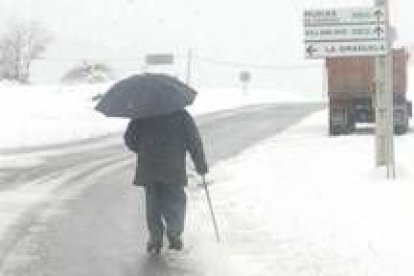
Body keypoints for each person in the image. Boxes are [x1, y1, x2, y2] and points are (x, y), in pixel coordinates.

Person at [124, 109, 208, 254]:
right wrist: (200, 165)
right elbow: (194, 141)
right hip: (172, 165)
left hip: (149, 165)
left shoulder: (142, 114)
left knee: (153, 203)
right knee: (176, 200)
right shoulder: (181, 115)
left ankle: (155, 238)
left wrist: (144, 149)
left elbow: (129, 138)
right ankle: (174, 233)